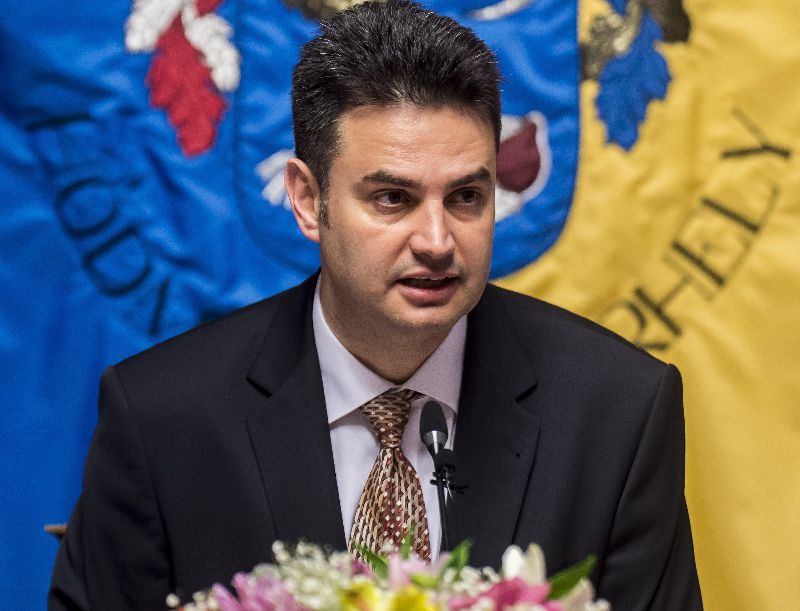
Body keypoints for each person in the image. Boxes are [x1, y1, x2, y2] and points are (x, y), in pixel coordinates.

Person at [49, 1, 702, 609]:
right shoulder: (163, 418)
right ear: (307, 199)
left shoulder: (618, 412)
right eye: (393, 199)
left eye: (468, 197)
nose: (438, 241)